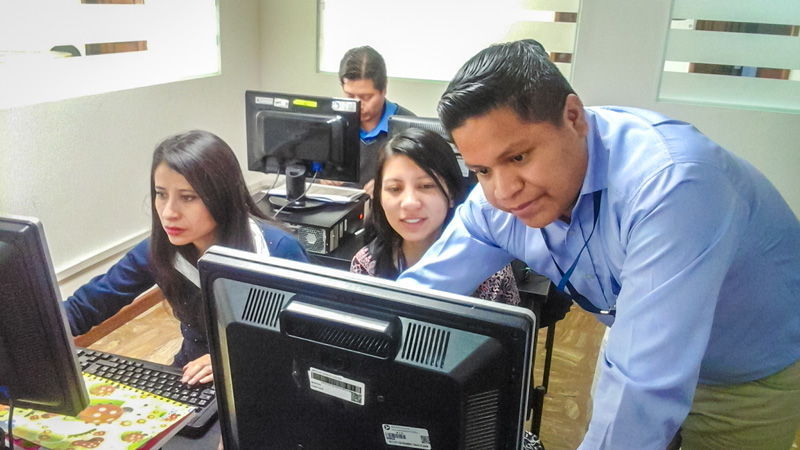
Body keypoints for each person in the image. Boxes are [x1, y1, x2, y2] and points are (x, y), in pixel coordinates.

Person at [397, 39, 800, 450]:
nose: (503, 192)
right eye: (482, 169)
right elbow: (417, 296)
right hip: (635, 337)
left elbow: (642, 384)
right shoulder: (495, 203)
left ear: (573, 117)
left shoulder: (673, 185)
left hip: (744, 375)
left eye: (518, 158)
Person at [64, 130, 308, 386]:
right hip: (191, 376)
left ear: (222, 197)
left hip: (265, 380)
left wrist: (233, 359)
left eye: (188, 197)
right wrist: (31, 335)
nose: (168, 212)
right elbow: (85, 307)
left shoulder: (276, 250)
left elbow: (311, 340)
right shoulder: (160, 250)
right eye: (161, 194)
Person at [350, 127, 520, 306]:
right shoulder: (366, 266)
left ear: (452, 195)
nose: (409, 202)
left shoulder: (490, 272)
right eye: (394, 189)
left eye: (426, 186)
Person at [336, 45, 415, 192]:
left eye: (367, 97)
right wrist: (320, 175)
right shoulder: (332, 123)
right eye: (350, 96)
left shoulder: (409, 127)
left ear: (384, 89)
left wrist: (392, 186)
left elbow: (422, 181)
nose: (358, 105)